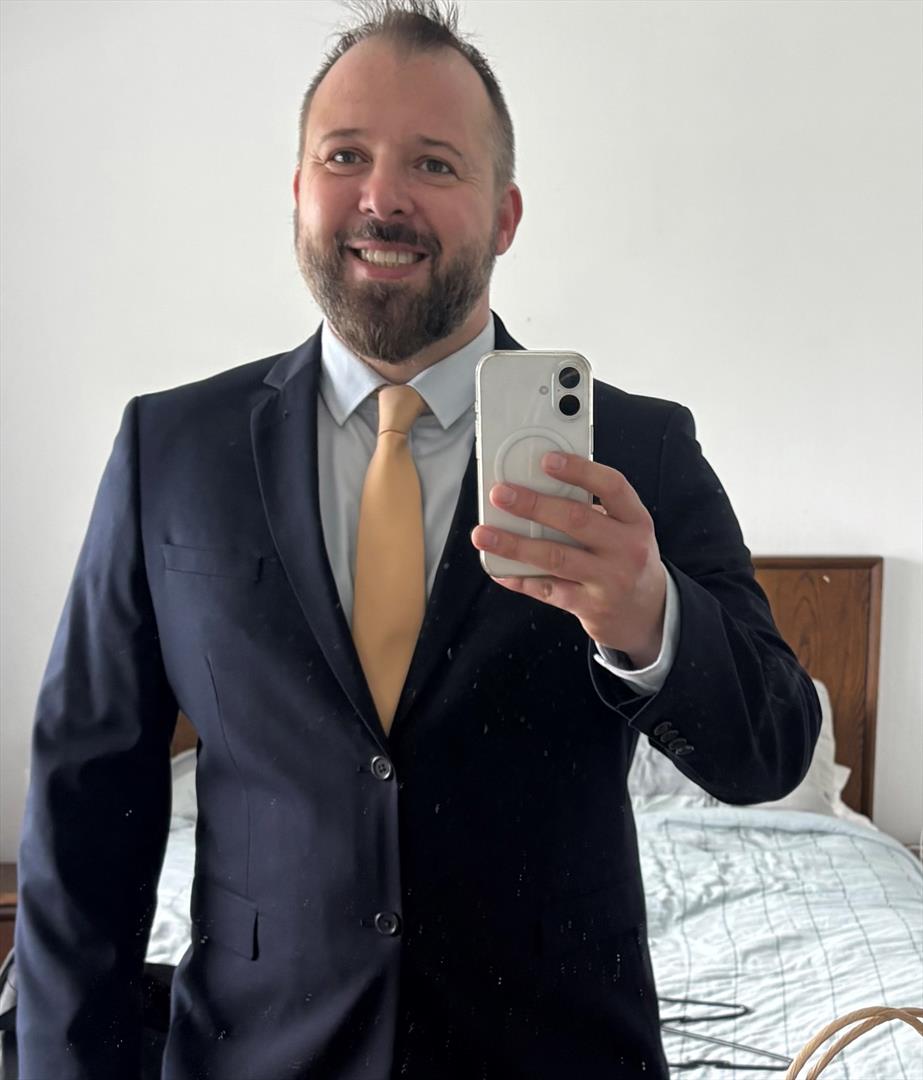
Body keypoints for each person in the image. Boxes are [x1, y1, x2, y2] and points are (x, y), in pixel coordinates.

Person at [14, 2, 820, 1078]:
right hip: (255, 1054)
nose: (381, 197)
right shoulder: (171, 449)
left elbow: (771, 750)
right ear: (297, 189)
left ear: (504, 215)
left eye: (434, 164)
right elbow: (86, 801)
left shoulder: (640, 451)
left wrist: (649, 618)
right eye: (344, 156)